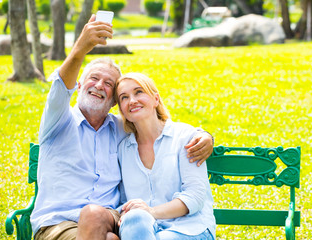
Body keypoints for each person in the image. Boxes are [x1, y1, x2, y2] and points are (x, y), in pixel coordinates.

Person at [30, 15, 214, 240]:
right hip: (60, 223)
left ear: (114, 103)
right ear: (78, 85)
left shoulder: (120, 129)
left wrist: (205, 136)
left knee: (98, 218)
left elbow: (157, 125)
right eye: (93, 78)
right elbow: (60, 86)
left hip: (110, 218)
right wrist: (80, 49)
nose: (99, 85)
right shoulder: (58, 119)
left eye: (108, 84)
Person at [115, 73, 216, 240]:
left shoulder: (186, 138)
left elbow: (196, 197)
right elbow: (124, 200)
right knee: (134, 217)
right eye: (124, 97)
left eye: (139, 92)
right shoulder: (123, 150)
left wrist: (151, 212)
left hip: (190, 229)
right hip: (142, 230)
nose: (132, 100)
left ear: (156, 99)